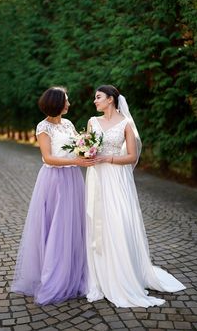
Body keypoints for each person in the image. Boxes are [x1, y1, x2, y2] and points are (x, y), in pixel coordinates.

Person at [85, 84, 186, 308]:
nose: (95, 101)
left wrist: (107, 159)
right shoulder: (92, 122)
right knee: (97, 221)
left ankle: (123, 274)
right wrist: (86, 154)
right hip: (97, 178)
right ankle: (99, 275)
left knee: (119, 222)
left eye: (98, 97)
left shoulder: (126, 123)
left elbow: (131, 156)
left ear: (110, 99)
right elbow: (88, 149)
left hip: (117, 178)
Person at [11, 86, 96, 305]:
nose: (69, 104)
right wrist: (75, 161)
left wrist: (87, 148)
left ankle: (73, 272)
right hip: (54, 180)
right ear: (57, 103)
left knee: (73, 225)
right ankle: (53, 277)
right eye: (66, 100)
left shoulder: (68, 124)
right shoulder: (43, 127)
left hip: (73, 179)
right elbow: (48, 158)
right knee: (56, 225)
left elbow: (78, 145)